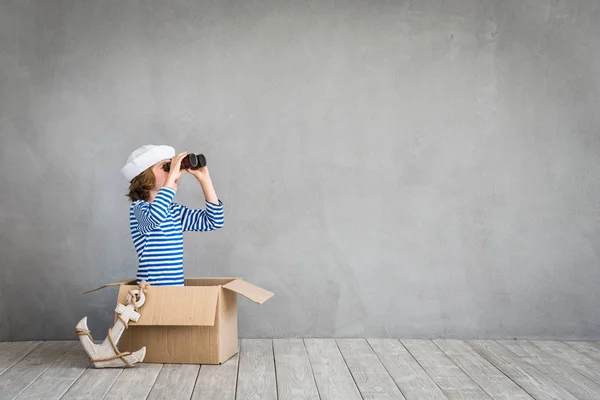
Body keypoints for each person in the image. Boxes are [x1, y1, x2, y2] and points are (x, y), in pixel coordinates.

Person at [121, 145, 224, 286]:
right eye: (167, 167)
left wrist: (204, 180)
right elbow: (155, 217)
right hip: (151, 291)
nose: (174, 172)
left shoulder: (174, 212)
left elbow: (214, 221)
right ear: (145, 176)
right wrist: (171, 179)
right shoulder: (139, 209)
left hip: (175, 291)